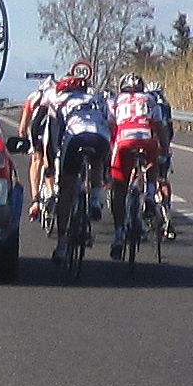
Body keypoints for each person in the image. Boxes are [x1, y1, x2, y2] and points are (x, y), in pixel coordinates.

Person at [48, 74, 113, 263]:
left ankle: (61, 243)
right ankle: (95, 200)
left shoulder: (59, 101)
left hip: (75, 138)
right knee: (97, 161)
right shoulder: (98, 98)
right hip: (100, 137)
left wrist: (52, 164)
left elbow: (54, 136)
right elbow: (110, 122)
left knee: (66, 189)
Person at [109, 72, 170, 259]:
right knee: (153, 162)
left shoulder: (115, 101)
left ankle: (119, 234)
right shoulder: (150, 99)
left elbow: (111, 128)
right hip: (146, 139)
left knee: (119, 188)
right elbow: (160, 127)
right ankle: (150, 195)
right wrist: (164, 150)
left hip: (124, 142)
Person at [19, 76, 54, 221]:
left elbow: (22, 128)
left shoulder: (33, 97)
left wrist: (23, 141)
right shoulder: (58, 96)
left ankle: (35, 201)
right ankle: (51, 190)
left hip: (37, 127)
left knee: (36, 160)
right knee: (50, 157)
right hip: (54, 127)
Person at [145, 80, 176, 240]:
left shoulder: (145, 103)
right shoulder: (165, 105)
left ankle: (140, 211)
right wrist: (166, 147)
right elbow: (169, 130)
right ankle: (167, 213)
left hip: (145, 144)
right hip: (162, 146)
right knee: (162, 179)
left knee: (139, 175)